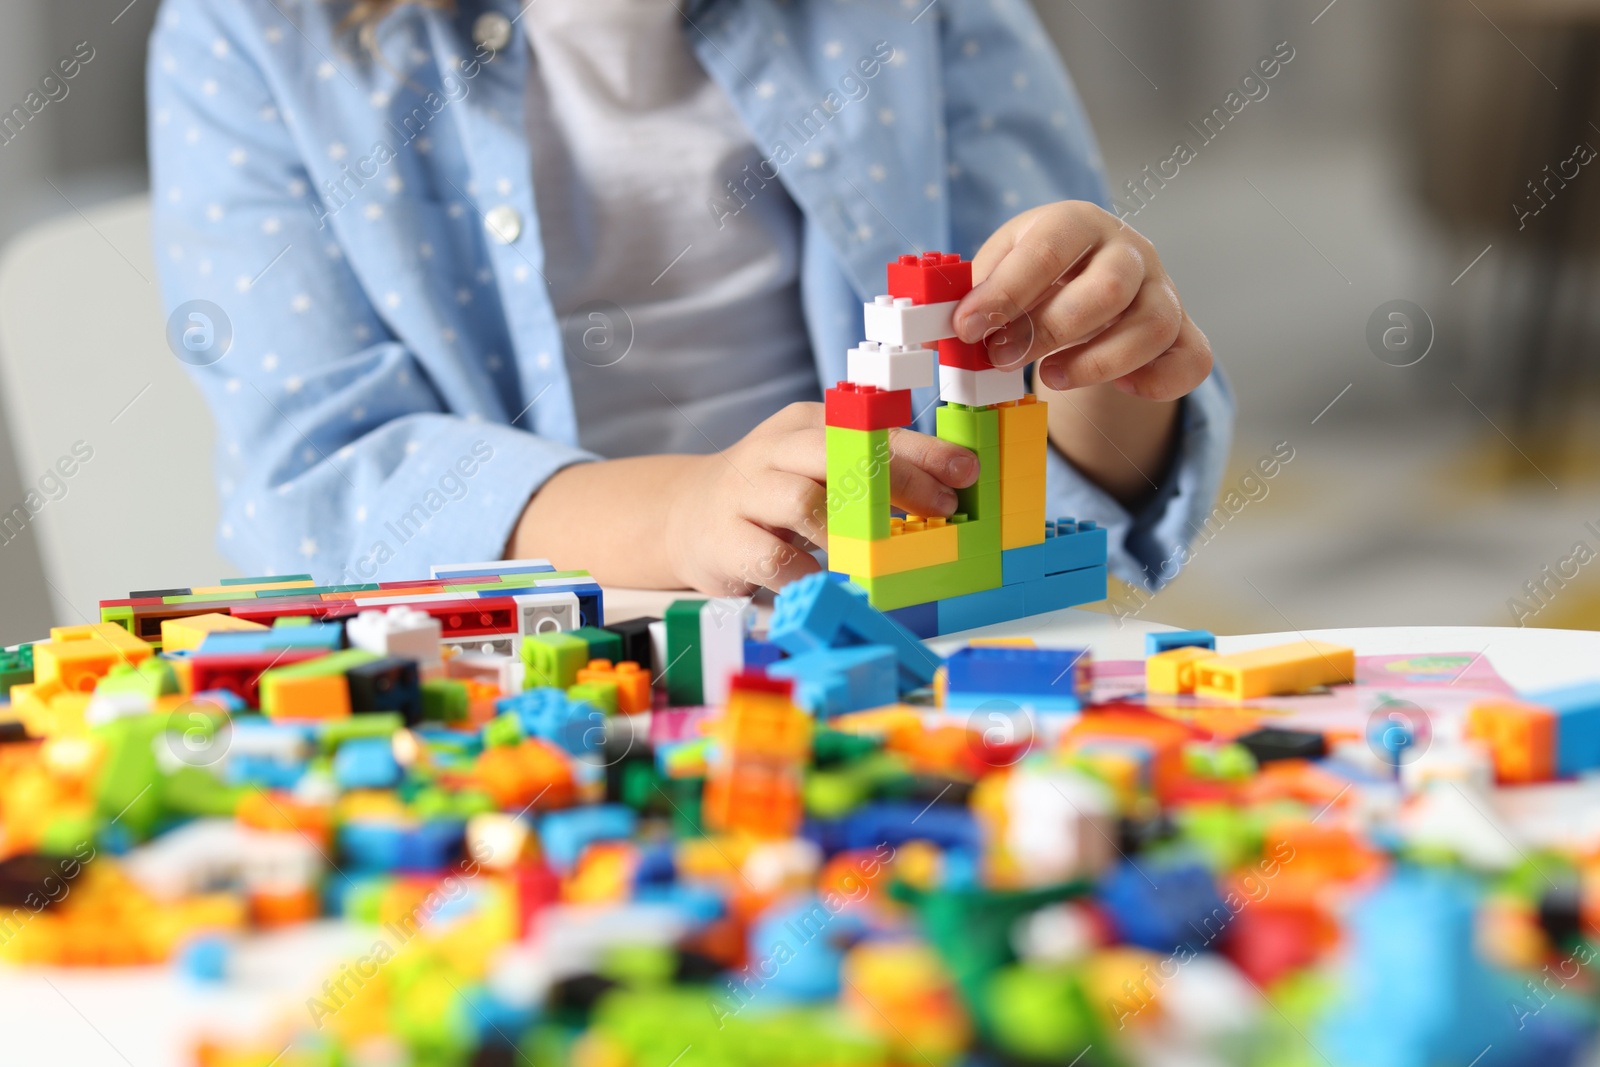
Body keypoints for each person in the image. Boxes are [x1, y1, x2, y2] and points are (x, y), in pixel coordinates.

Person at [148, 0, 1232, 596]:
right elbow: (327, 470)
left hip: (900, 627)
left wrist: (1107, 360)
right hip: (527, 690)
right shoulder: (249, 29)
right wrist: (678, 516)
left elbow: (1047, 450)